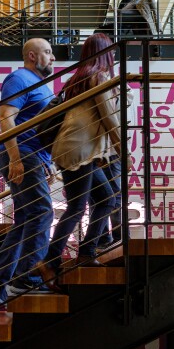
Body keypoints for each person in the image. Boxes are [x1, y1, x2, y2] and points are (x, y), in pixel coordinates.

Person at [0, 38, 57, 303]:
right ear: (33, 56)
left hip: (33, 156)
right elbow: (6, 117)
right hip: (21, 154)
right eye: (48, 52)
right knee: (42, 211)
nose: (54, 57)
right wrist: (15, 158)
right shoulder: (20, 78)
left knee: (26, 217)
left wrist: (48, 163)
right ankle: (26, 278)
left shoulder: (40, 84)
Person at [42, 33, 121, 275]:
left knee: (106, 198)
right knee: (77, 206)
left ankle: (86, 252)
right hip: (78, 151)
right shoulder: (99, 77)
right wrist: (122, 150)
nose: (115, 55)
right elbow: (109, 116)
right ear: (105, 52)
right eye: (112, 50)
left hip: (77, 150)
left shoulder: (79, 78)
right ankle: (51, 260)